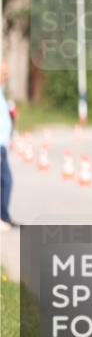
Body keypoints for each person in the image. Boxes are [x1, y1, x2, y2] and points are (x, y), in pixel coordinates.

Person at [0, 61, 16, 231]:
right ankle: (2, 217)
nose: (6, 76)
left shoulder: (2, 93)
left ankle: (4, 216)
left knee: (5, 181)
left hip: (2, 145)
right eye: (3, 73)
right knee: (6, 181)